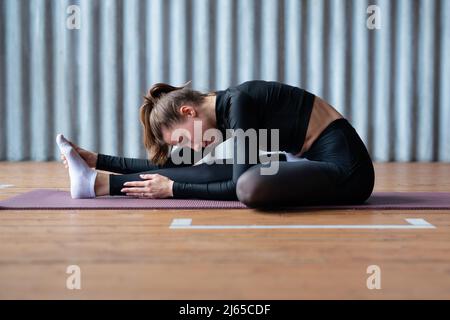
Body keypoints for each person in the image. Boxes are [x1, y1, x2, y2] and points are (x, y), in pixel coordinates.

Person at [57, 80, 375, 208]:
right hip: (302, 161)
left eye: (181, 137)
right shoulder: (220, 111)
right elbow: (173, 164)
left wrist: (173, 190)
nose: (187, 146)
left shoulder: (238, 104)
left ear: (188, 111)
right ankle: (93, 184)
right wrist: (97, 159)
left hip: (346, 170)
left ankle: (95, 183)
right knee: (214, 169)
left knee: (249, 187)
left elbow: (239, 184)